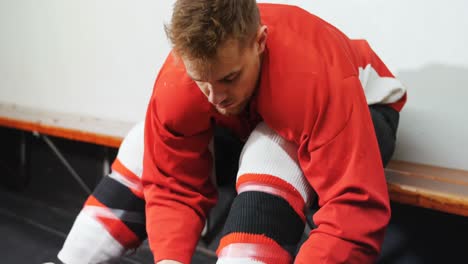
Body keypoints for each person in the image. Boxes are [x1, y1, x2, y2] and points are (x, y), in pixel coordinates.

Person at [143, 1, 406, 264]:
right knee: (141, 143)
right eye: (202, 81)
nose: (215, 97)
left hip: (369, 109)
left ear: (260, 41)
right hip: (257, 112)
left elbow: (353, 207)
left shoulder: (313, 74)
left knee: (268, 147)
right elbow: (171, 184)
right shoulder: (181, 78)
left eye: (229, 78)